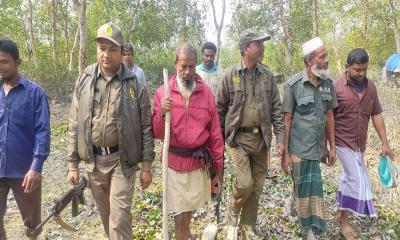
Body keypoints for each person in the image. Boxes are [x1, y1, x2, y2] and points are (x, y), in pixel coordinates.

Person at [66, 22, 155, 240]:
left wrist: (146, 165)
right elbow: (74, 123)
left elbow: (146, 126)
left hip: (121, 162)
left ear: (122, 51)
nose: (106, 54)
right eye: (102, 48)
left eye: (112, 49)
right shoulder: (84, 80)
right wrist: (72, 164)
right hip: (93, 162)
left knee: (120, 219)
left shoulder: (135, 83)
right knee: (107, 218)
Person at [216, 29, 285, 238]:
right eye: (258, 44)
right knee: (245, 183)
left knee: (257, 186)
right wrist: (218, 142)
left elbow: (276, 109)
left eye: (262, 44)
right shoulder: (230, 75)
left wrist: (280, 138)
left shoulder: (267, 75)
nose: (262, 47)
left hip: (262, 138)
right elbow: (219, 110)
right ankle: (233, 207)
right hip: (239, 139)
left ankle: (248, 225)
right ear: (246, 48)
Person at [152, 43, 224, 240]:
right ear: (175, 64)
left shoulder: (206, 94)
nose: (187, 71)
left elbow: (215, 135)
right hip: (173, 164)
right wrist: (161, 113)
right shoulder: (162, 93)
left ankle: (185, 233)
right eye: (183, 66)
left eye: (191, 66)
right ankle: (182, 236)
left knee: (188, 209)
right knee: (179, 214)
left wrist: (218, 170)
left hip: (197, 164)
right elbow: (157, 133)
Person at [334, 48, 395, 240]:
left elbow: (376, 114)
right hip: (341, 142)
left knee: (347, 179)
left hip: (360, 144)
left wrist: (385, 143)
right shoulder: (336, 88)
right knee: (359, 180)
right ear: (347, 67)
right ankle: (344, 222)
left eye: (365, 70)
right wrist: (326, 146)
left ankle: (341, 216)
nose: (361, 74)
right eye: (357, 70)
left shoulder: (371, 87)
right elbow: (327, 119)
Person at [281, 37, 338, 240]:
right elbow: (286, 120)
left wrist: (332, 147)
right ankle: (308, 228)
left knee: (312, 186)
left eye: (326, 56)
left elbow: (329, 115)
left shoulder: (327, 84)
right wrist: (285, 154)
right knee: (304, 186)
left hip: (317, 147)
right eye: (322, 57)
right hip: (298, 147)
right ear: (308, 61)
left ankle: (307, 218)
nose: (326, 60)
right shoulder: (293, 85)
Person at [0, 39, 50, 240]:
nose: (0, 67)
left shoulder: (35, 93)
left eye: (4, 61)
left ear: (18, 62)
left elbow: (43, 132)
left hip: (25, 172)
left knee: (32, 225)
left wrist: (36, 167)